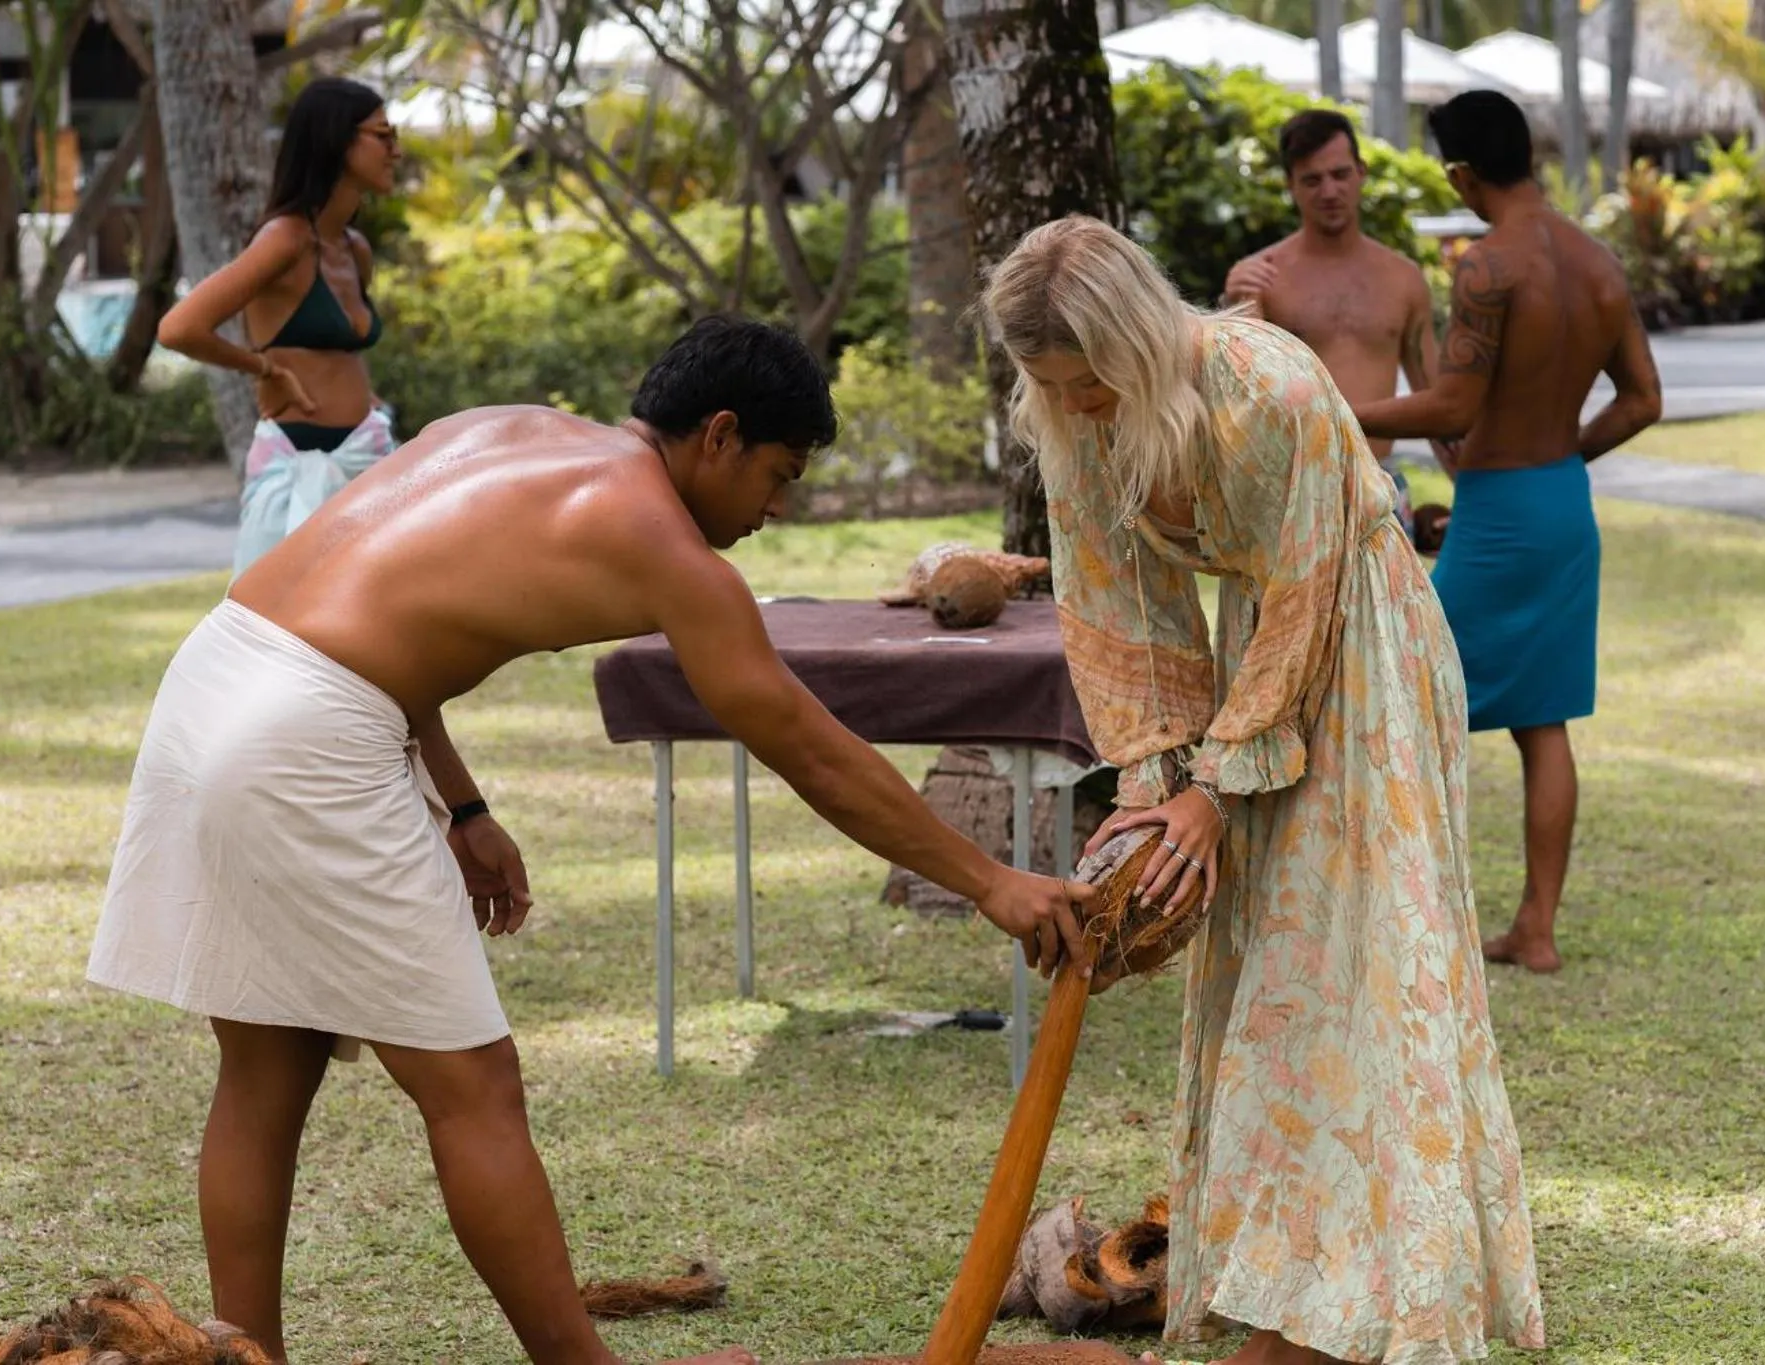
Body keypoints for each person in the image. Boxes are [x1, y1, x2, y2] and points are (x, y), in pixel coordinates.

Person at [86, 315, 1093, 1365]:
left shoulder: (502, 427)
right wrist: (989, 883)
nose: (777, 508)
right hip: (310, 735)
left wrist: (462, 808)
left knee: (264, 1065)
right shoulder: (663, 547)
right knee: (472, 1088)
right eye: (778, 474)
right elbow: (808, 747)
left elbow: (373, 613)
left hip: (215, 677)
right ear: (718, 434)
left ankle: (248, 1358)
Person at [979, 215, 1544, 1365]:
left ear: (1137, 344)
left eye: (1090, 383)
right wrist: (1152, 783)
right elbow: (1113, 604)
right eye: (1050, 386)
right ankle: (1294, 1287)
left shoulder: (1266, 387)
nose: (1075, 406)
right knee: (1266, 976)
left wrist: (1217, 790)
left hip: (1361, 641)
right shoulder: (1069, 420)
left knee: (1357, 961)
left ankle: (1365, 1302)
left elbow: (1306, 588)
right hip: (1261, 668)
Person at [1350, 90, 1663, 975]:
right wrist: (1562, 450)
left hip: (1498, 513)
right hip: (1562, 503)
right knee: (1542, 719)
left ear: (1460, 172)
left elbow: (1452, 404)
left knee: (1411, 697)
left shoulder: (1489, 266)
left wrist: (1337, 408)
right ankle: (1537, 926)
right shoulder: (1598, 262)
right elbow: (1644, 401)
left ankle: (1409, 918)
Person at [157, 77, 403, 577]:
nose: (396, 150)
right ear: (338, 139)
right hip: (294, 463)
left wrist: (365, 396)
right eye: (383, 135)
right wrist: (263, 367)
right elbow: (180, 327)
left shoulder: (354, 249)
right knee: (273, 629)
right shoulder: (285, 239)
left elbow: (341, 351)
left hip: (369, 454)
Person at [1220, 110, 1453, 546]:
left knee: (1385, 617)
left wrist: (1473, 494)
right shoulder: (1260, 278)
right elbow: (1241, 397)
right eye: (1311, 180)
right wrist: (1232, 305)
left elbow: (1437, 402)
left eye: (1340, 174)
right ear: (1290, 186)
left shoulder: (1402, 279)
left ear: (1361, 173)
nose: (1329, 191)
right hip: (1292, 490)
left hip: (1379, 488)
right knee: (1290, 618)